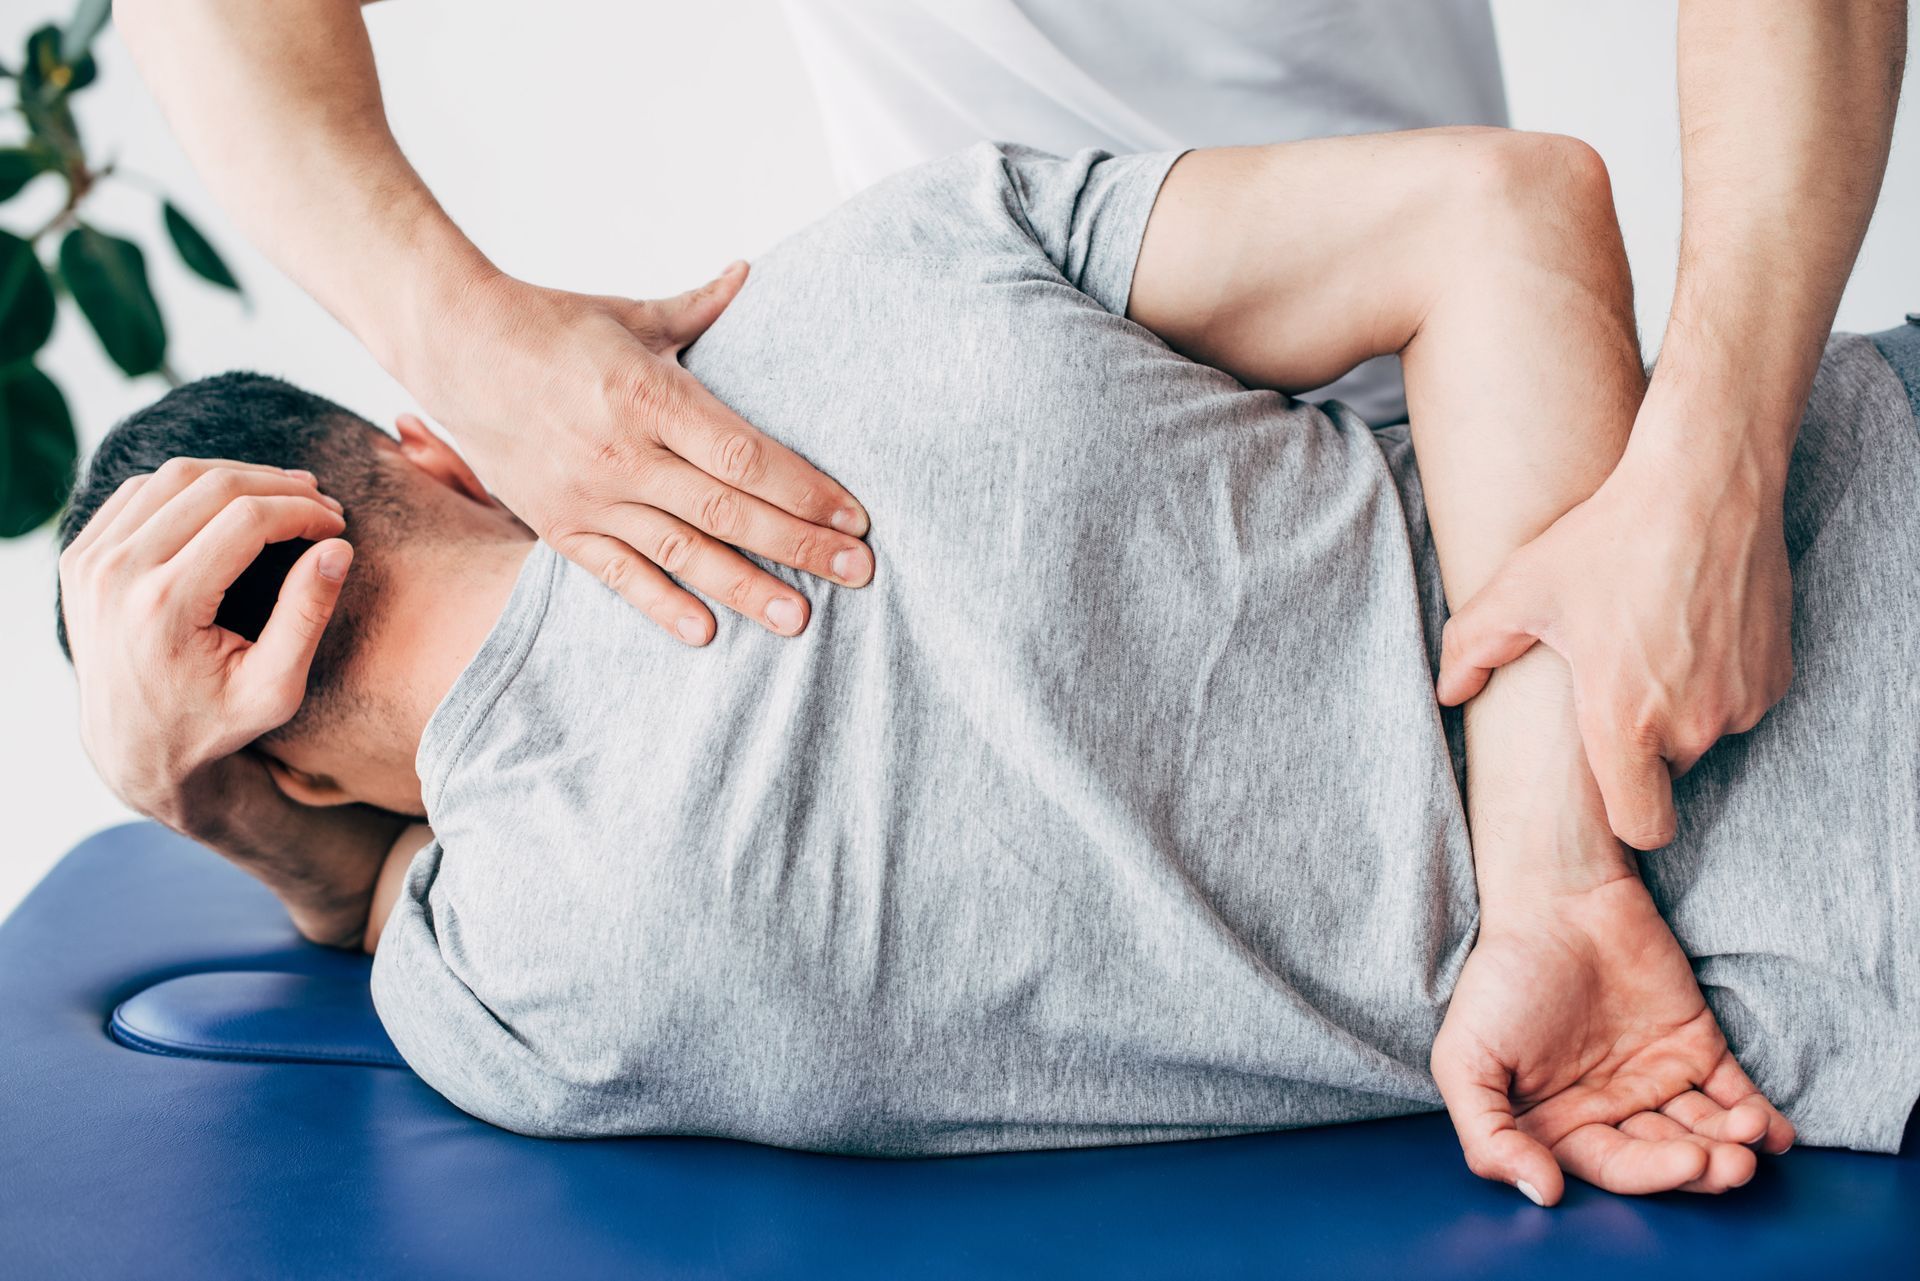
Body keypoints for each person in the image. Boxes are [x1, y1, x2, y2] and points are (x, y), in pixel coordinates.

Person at [57, 130, 1920, 1205]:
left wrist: (188, 790)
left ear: (272, 763)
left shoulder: (521, 995)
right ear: (437, 447)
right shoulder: (875, 264)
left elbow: (358, 890)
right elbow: (1513, 209)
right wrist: (1554, 871)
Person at [114, 0, 1907, 853]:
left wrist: (1717, 459)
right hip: (1042, 415)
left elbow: (1504, 225)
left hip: (1471, 415)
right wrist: (466, 329)